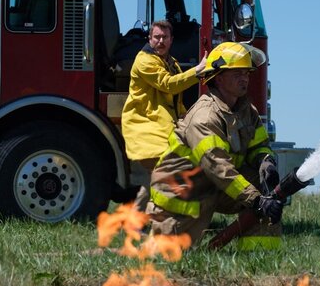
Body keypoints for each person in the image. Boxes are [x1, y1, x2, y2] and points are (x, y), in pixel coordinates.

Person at [147, 41, 283, 250]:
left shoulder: (246, 110)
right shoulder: (205, 117)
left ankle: (258, 255)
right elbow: (219, 168)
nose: (245, 78)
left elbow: (259, 145)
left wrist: (265, 161)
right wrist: (256, 201)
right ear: (218, 77)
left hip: (211, 187)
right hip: (183, 193)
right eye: (237, 73)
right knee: (163, 258)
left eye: (247, 73)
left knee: (269, 190)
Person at [121, 20, 207, 211]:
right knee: (168, 171)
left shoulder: (172, 63)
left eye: (165, 37)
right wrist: (197, 71)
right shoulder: (144, 61)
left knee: (157, 176)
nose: (161, 41)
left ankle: (137, 220)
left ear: (171, 40)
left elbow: (175, 101)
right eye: (157, 37)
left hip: (160, 128)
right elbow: (168, 84)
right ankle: (162, 218)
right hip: (145, 127)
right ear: (149, 39)